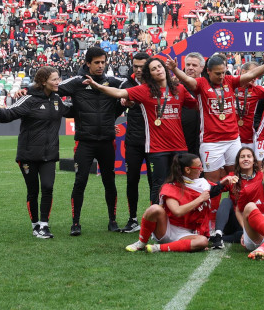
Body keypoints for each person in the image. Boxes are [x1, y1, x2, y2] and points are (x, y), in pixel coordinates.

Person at [84, 57, 196, 209]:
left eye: (160, 66)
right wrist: (96, 85)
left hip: (179, 147)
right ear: (149, 75)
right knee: (159, 186)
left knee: (182, 184)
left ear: (165, 68)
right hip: (157, 148)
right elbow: (118, 92)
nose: (158, 70)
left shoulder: (179, 89)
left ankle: (179, 222)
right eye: (154, 69)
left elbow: (197, 105)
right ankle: (158, 223)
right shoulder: (144, 91)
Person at [168, 52, 264, 181]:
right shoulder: (201, 84)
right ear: (208, 71)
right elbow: (187, 80)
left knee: (238, 179)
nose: (221, 76)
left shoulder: (229, 81)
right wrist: (175, 69)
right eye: (217, 73)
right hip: (211, 142)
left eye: (223, 72)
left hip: (232, 140)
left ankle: (236, 202)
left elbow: (251, 74)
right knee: (213, 182)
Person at [0, 66, 72, 239]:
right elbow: (10, 113)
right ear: (43, 82)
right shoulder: (29, 99)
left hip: (49, 154)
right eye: (54, 80)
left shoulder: (57, 99)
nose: (58, 83)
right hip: (28, 155)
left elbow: (73, 110)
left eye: (59, 79)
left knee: (48, 187)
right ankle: (35, 224)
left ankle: (44, 225)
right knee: (33, 190)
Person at [58, 46, 126, 236]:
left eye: (103, 62)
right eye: (96, 62)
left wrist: (120, 108)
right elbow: (53, 89)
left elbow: (131, 87)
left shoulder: (112, 82)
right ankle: (76, 223)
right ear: (88, 63)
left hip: (107, 142)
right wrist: (69, 110)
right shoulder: (76, 82)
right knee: (80, 182)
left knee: (109, 182)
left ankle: (112, 221)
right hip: (84, 142)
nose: (100, 66)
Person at [125, 153, 236, 253]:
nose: (201, 169)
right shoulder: (170, 187)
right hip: (167, 229)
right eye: (199, 167)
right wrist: (199, 199)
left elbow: (213, 190)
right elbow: (177, 211)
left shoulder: (201, 183)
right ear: (187, 170)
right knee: (154, 209)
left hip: (188, 233)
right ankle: (141, 243)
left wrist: (224, 181)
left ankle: (158, 248)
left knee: (202, 241)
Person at [121, 52, 150, 234]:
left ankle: (157, 218)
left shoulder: (157, 83)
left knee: (156, 182)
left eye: (142, 67)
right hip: (133, 141)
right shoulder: (126, 84)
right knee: (132, 180)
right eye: (135, 67)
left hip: (155, 141)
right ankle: (132, 219)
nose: (138, 70)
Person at [181, 53, 204, 157]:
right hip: (182, 137)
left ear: (202, 68)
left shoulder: (207, 85)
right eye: (188, 64)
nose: (190, 68)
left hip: (205, 137)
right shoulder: (176, 86)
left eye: (194, 65)